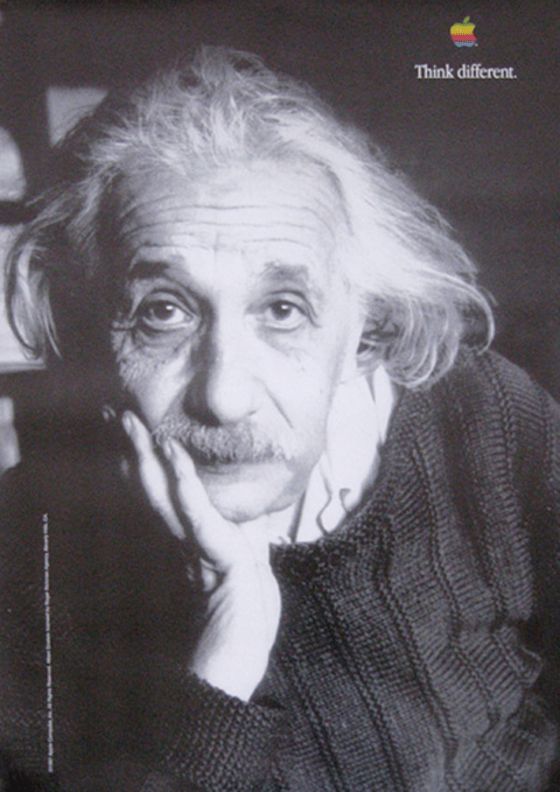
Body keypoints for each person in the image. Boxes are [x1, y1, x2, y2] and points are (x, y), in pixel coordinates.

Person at [1, 46, 560, 791]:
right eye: (163, 311)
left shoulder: (484, 414)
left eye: (284, 310)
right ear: (85, 321)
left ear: (364, 330)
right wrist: (225, 657)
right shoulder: (25, 548)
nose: (224, 397)